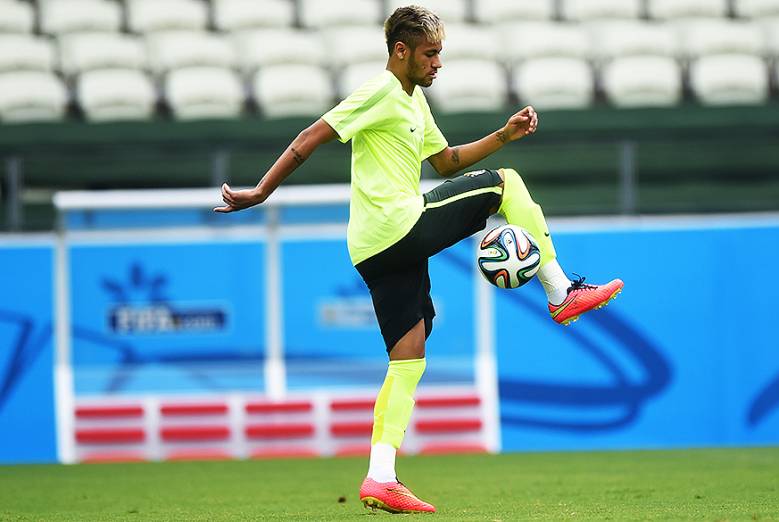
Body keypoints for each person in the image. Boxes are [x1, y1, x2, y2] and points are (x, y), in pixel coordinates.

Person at [214, 5, 623, 514]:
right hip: (398, 227)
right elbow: (310, 137)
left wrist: (502, 135)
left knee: (408, 358)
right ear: (401, 52)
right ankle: (562, 292)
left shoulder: (414, 102)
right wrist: (260, 192)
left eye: (441, 54)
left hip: (372, 250)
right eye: (430, 54)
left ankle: (380, 476)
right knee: (507, 184)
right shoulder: (381, 91)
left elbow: (446, 162)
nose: (438, 64)